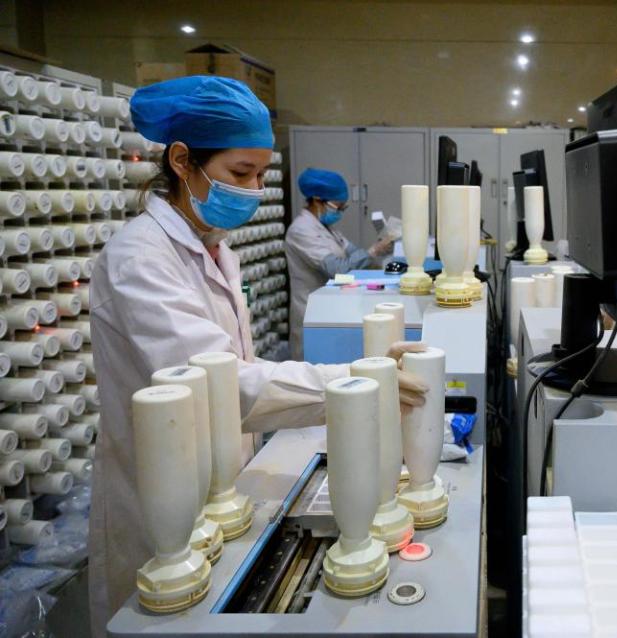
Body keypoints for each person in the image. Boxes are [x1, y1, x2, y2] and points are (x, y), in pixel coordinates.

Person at [88, 76, 427, 637]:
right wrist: (353, 384)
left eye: (261, 174)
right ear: (181, 161)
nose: (252, 188)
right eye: (239, 173)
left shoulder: (215, 248)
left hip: (222, 478)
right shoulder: (139, 260)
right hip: (162, 500)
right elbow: (226, 387)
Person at [285, 168, 394, 359]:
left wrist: (379, 251)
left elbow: (355, 254)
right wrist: (373, 251)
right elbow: (338, 269)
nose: (340, 212)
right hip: (311, 310)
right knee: (312, 371)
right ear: (317, 200)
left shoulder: (329, 229)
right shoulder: (301, 230)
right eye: (338, 207)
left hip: (330, 306)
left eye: (344, 208)